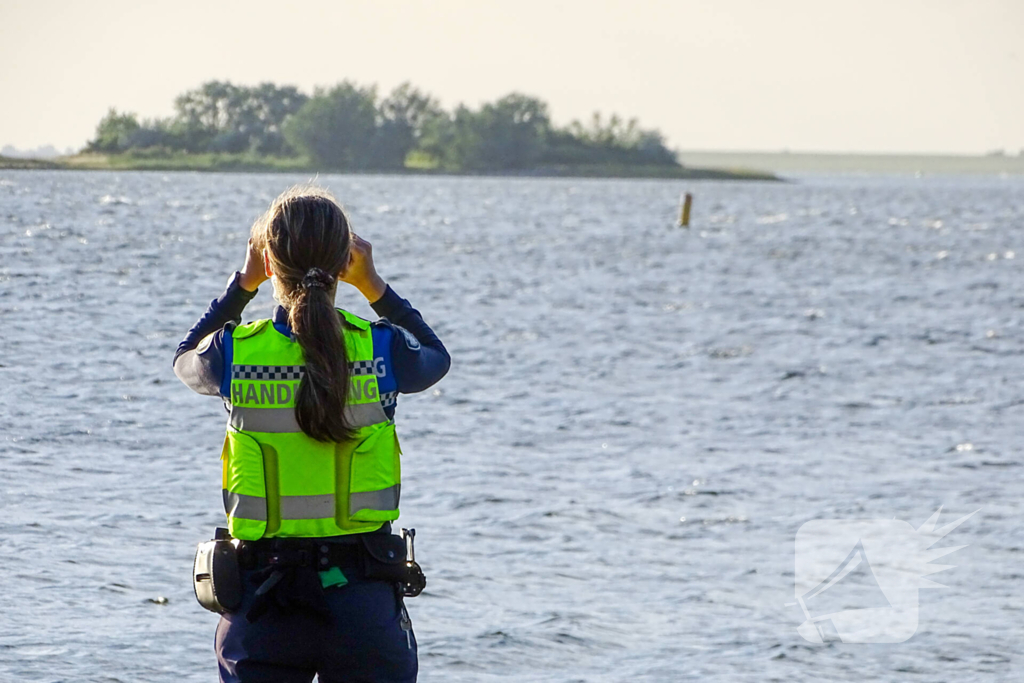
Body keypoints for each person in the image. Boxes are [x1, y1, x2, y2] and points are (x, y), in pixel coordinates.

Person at [173, 185, 450, 683]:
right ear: (346, 260)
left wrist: (242, 284)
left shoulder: (234, 354)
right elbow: (436, 357)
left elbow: (184, 357)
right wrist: (374, 287)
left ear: (269, 262)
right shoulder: (381, 347)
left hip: (263, 604)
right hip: (362, 599)